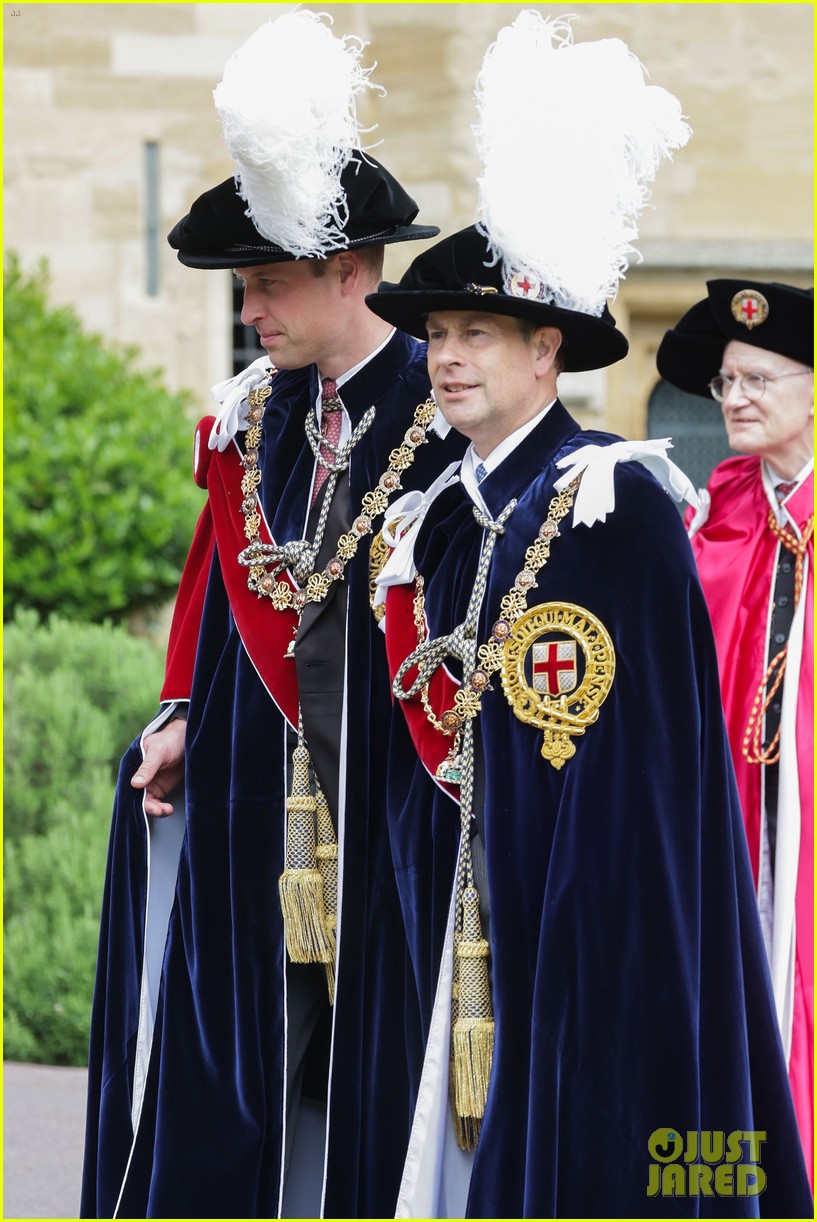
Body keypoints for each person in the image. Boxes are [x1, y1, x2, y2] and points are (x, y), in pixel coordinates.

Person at [362, 14, 813, 1217]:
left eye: (474, 333)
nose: (445, 358)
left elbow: (642, 782)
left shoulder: (615, 502)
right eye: (434, 336)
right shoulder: (442, 516)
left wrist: (573, 934)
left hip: (591, 935)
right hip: (458, 908)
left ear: (544, 347)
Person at [79, 13, 464, 1219]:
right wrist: (184, 708)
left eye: (269, 284)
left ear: (353, 271)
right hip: (252, 790)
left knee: (372, 1081)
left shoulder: (442, 407)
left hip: (388, 799)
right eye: (244, 288)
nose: (251, 310)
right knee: (226, 1072)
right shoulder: (254, 415)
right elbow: (217, 586)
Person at [657, 279, 814, 1187]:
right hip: (731, 830)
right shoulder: (708, 522)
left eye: (758, 378)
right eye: (725, 382)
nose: (737, 399)